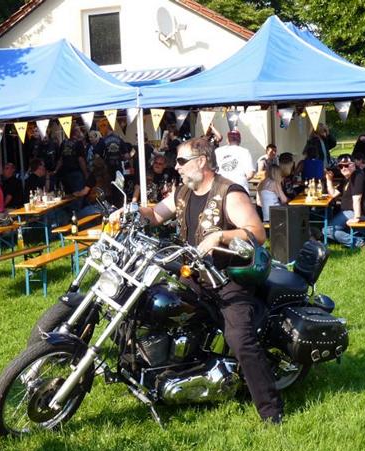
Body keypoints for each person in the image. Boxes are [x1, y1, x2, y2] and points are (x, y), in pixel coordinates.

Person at [120, 137, 282, 423]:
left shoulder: (229, 193)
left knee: (239, 338)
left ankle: (271, 410)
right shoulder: (184, 192)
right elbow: (156, 214)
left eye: (182, 161)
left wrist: (221, 236)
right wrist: (131, 211)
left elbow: (257, 233)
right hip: (194, 274)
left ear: (202, 161)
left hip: (228, 279)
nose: (177, 167)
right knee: (149, 305)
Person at [324, 154, 365, 248]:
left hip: (354, 212)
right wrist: (329, 180)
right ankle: (352, 236)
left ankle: (358, 242)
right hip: (348, 211)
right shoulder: (347, 178)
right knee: (328, 229)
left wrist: (357, 218)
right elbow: (333, 194)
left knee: (327, 230)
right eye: (340, 166)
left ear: (353, 165)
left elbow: (357, 198)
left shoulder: (357, 176)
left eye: (346, 165)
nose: (343, 168)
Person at [55, 127, 88, 194]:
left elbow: (60, 159)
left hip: (65, 173)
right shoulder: (78, 143)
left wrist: (56, 170)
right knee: (79, 194)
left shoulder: (63, 143)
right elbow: (81, 160)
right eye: (79, 131)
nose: (80, 132)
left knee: (69, 194)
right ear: (75, 132)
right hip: (76, 173)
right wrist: (86, 173)